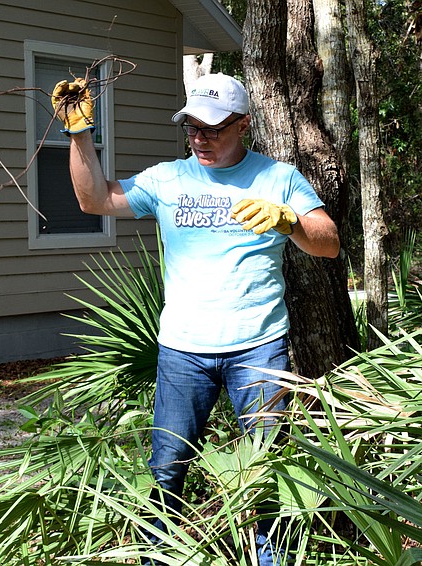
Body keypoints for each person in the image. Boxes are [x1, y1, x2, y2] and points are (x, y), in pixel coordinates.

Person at [52, 73, 340, 565]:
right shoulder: (167, 179)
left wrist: (290, 221)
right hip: (183, 349)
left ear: (244, 124)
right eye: (192, 127)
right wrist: (79, 132)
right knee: (166, 470)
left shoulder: (278, 178)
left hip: (259, 348)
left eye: (212, 128)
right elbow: (94, 200)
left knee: (264, 472)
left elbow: (329, 243)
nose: (200, 138)